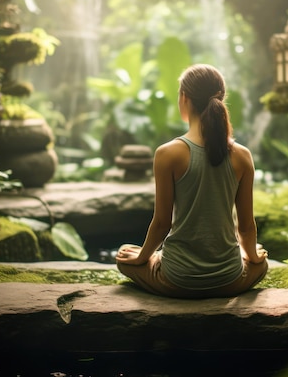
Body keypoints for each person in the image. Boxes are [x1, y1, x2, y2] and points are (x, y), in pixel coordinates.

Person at [115, 63, 268, 298]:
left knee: (125, 254)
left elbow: (161, 224)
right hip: (229, 278)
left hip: (177, 279)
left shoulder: (167, 153)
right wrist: (254, 258)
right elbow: (246, 227)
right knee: (261, 263)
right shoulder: (243, 156)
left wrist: (142, 258)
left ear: (184, 97)